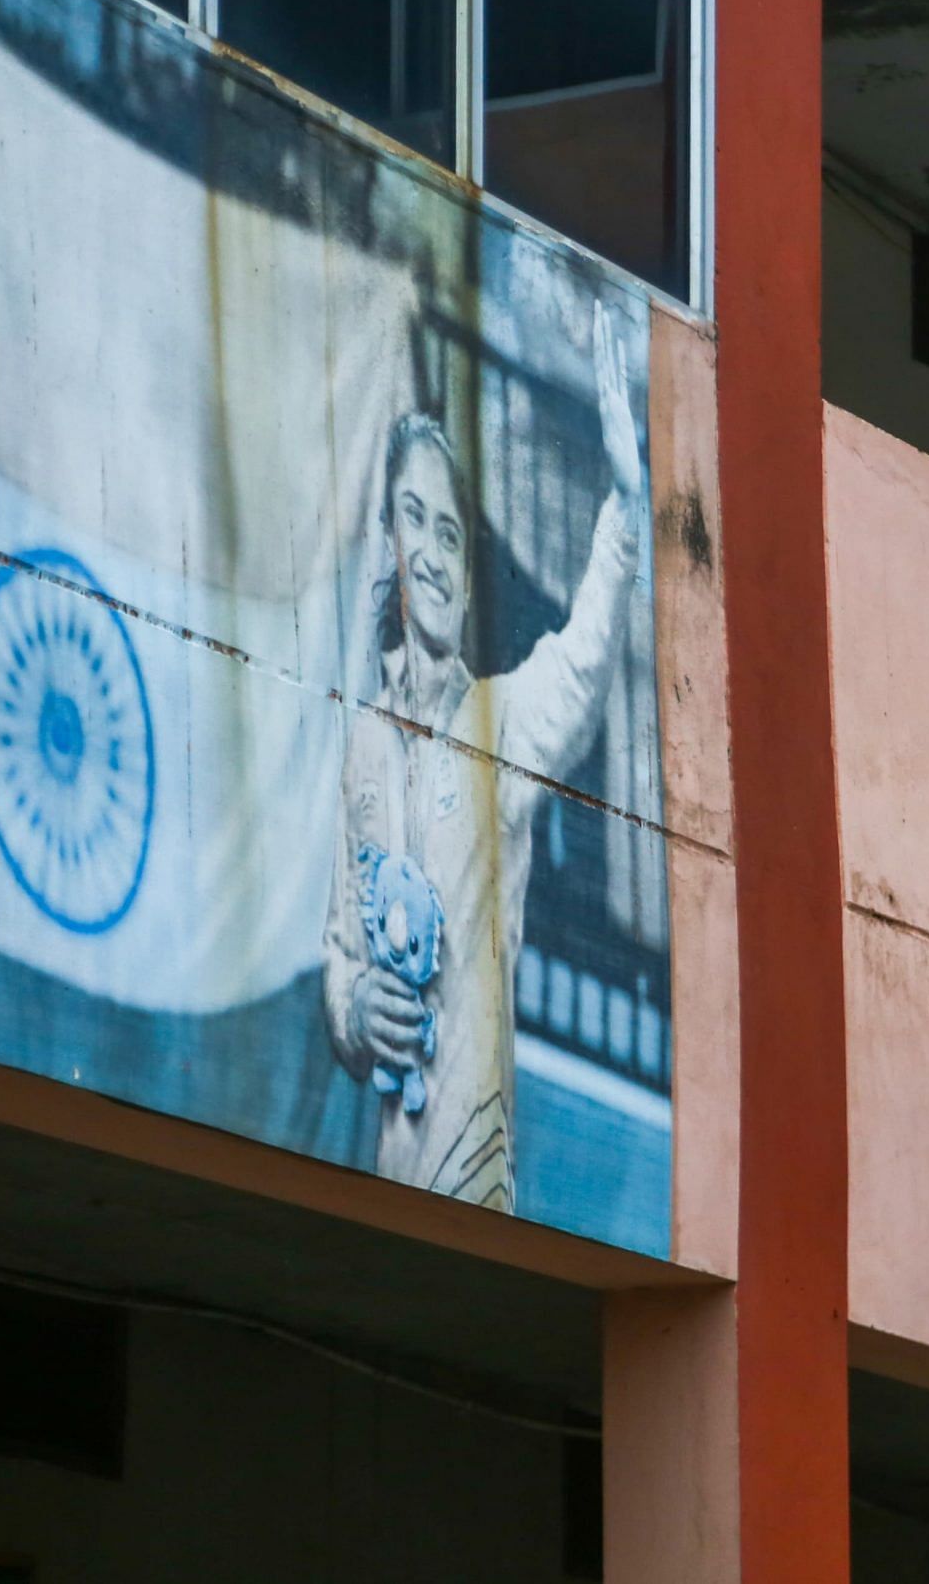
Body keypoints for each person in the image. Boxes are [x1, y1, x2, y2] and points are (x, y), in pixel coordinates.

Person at [322, 300, 645, 1211]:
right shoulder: (363, 751)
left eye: (452, 533)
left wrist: (624, 509)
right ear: (389, 546)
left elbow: (582, 663)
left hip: (477, 1181)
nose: (432, 552)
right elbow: (341, 951)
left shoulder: (500, 723)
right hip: (388, 1183)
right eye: (414, 521)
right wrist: (354, 1012)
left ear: (465, 577)